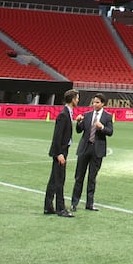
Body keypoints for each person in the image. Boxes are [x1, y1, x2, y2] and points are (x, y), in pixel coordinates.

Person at [70, 92, 114, 211]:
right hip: (85, 148)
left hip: (97, 150)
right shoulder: (87, 115)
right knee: (79, 177)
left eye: (97, 102)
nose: (94, 104)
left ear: (103, 104)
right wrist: (79, 122)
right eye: (93, 102)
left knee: (92, 178)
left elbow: (110, 132)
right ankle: (74, 203)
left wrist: (102, 128)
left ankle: (90, 203)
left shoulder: (107, 117)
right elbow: (79, 131)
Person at [43, 88, 78, 217]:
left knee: (54, 180)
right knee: (59, 180)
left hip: (62, 150)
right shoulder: (64, 114)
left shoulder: (67, 113)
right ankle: (60, 208)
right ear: (73, 99)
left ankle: (48, 206)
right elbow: (57, 136)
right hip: (60, 152)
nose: (78, 100)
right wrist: (59, 153)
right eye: (77, 98)